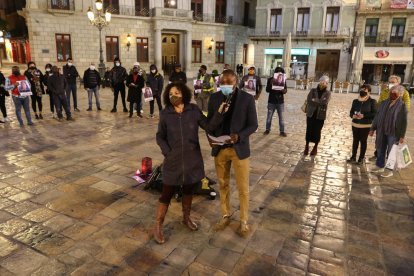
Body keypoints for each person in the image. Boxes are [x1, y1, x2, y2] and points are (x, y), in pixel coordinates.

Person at [153, 82, 226, 244]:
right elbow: (160, 136)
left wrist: (219, 113)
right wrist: (167, 152)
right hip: (173, 161)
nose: (174, 96)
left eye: (177, 92)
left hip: (192, 160)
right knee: (166, 193)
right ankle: (158, 226)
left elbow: (209, 126)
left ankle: (186, 218)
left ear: (184, 93)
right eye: (171, 93)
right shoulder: (165, 113)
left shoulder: (193, 110)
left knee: (188, 190)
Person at [207, 69, 258, 237]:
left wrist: (240, 135)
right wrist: (212, 135)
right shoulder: (214, 98)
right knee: (223, 184)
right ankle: (225, 214)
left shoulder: (247, 99)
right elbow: (210, 125)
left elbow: (253, 125)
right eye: (222, 83)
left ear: (236, 82)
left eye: (229, 83)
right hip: (220, 149)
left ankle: (243, 220)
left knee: (243, 187)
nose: (225, 86)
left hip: (239, 149)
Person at [369, 75, 411, 161]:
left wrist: (396, 106)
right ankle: (378, 158)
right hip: (382, 122)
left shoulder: (404, 93)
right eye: (390, 82)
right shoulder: (385, 91)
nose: (391, 84)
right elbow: (379, 104)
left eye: (393, 82)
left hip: (393, 124)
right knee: (380, 143)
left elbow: (407, 106)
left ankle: (389, 164)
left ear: (398, 83)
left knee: (391, 147)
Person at [370, 85, 408, 178]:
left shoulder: (402, 106)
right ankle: (380, 165)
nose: (392, 94)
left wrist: (402, 136)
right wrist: (372, 128)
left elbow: (404, 122)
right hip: (381, 130)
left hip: (394, 133)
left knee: (392, 151)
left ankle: (389, 170)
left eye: (395, 92)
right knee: (380, 148)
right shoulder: (383, 103)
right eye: (391, 92)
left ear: (400, 94)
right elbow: (377, 117)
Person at [347, 84, 377, 165]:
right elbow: (351, 112)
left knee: (363, 141)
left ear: (369, 92)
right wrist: (352, 115)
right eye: (361, 89)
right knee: (355, 141)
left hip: (365, 125)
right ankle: (353, 157)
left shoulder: (372, 101)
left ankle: (361, 158)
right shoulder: (355, 101)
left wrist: (364, 116)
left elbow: (374, 114)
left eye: (365, 90)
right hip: (355, 124)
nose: (362, 91)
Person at [304, 75, 332, 156]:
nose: (323, 83)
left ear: (327, 84)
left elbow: (325, 103)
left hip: (320, 115)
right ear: (319, 81)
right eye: (322, 81)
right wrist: (319, 101)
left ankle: (315, 147)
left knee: (317, 131)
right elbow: (309, 100)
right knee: (309, 130)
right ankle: (306, 146)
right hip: (311, 114)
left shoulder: (328, 93)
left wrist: (315, 100)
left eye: (325, 82)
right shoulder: (313, 90)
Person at [264, 67, 287, 137]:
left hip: (280, 102)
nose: (279, 73)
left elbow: (285, 91)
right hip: (271, 101)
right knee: (269, 117)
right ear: (275, 73)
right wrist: (271, 84)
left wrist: (282, 90)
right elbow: (267, 90)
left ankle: (282, 131)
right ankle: (267, 129)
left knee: (281, 117)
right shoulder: (270, 79)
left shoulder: (283, 80)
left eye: (281, 72)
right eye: (278, 72)